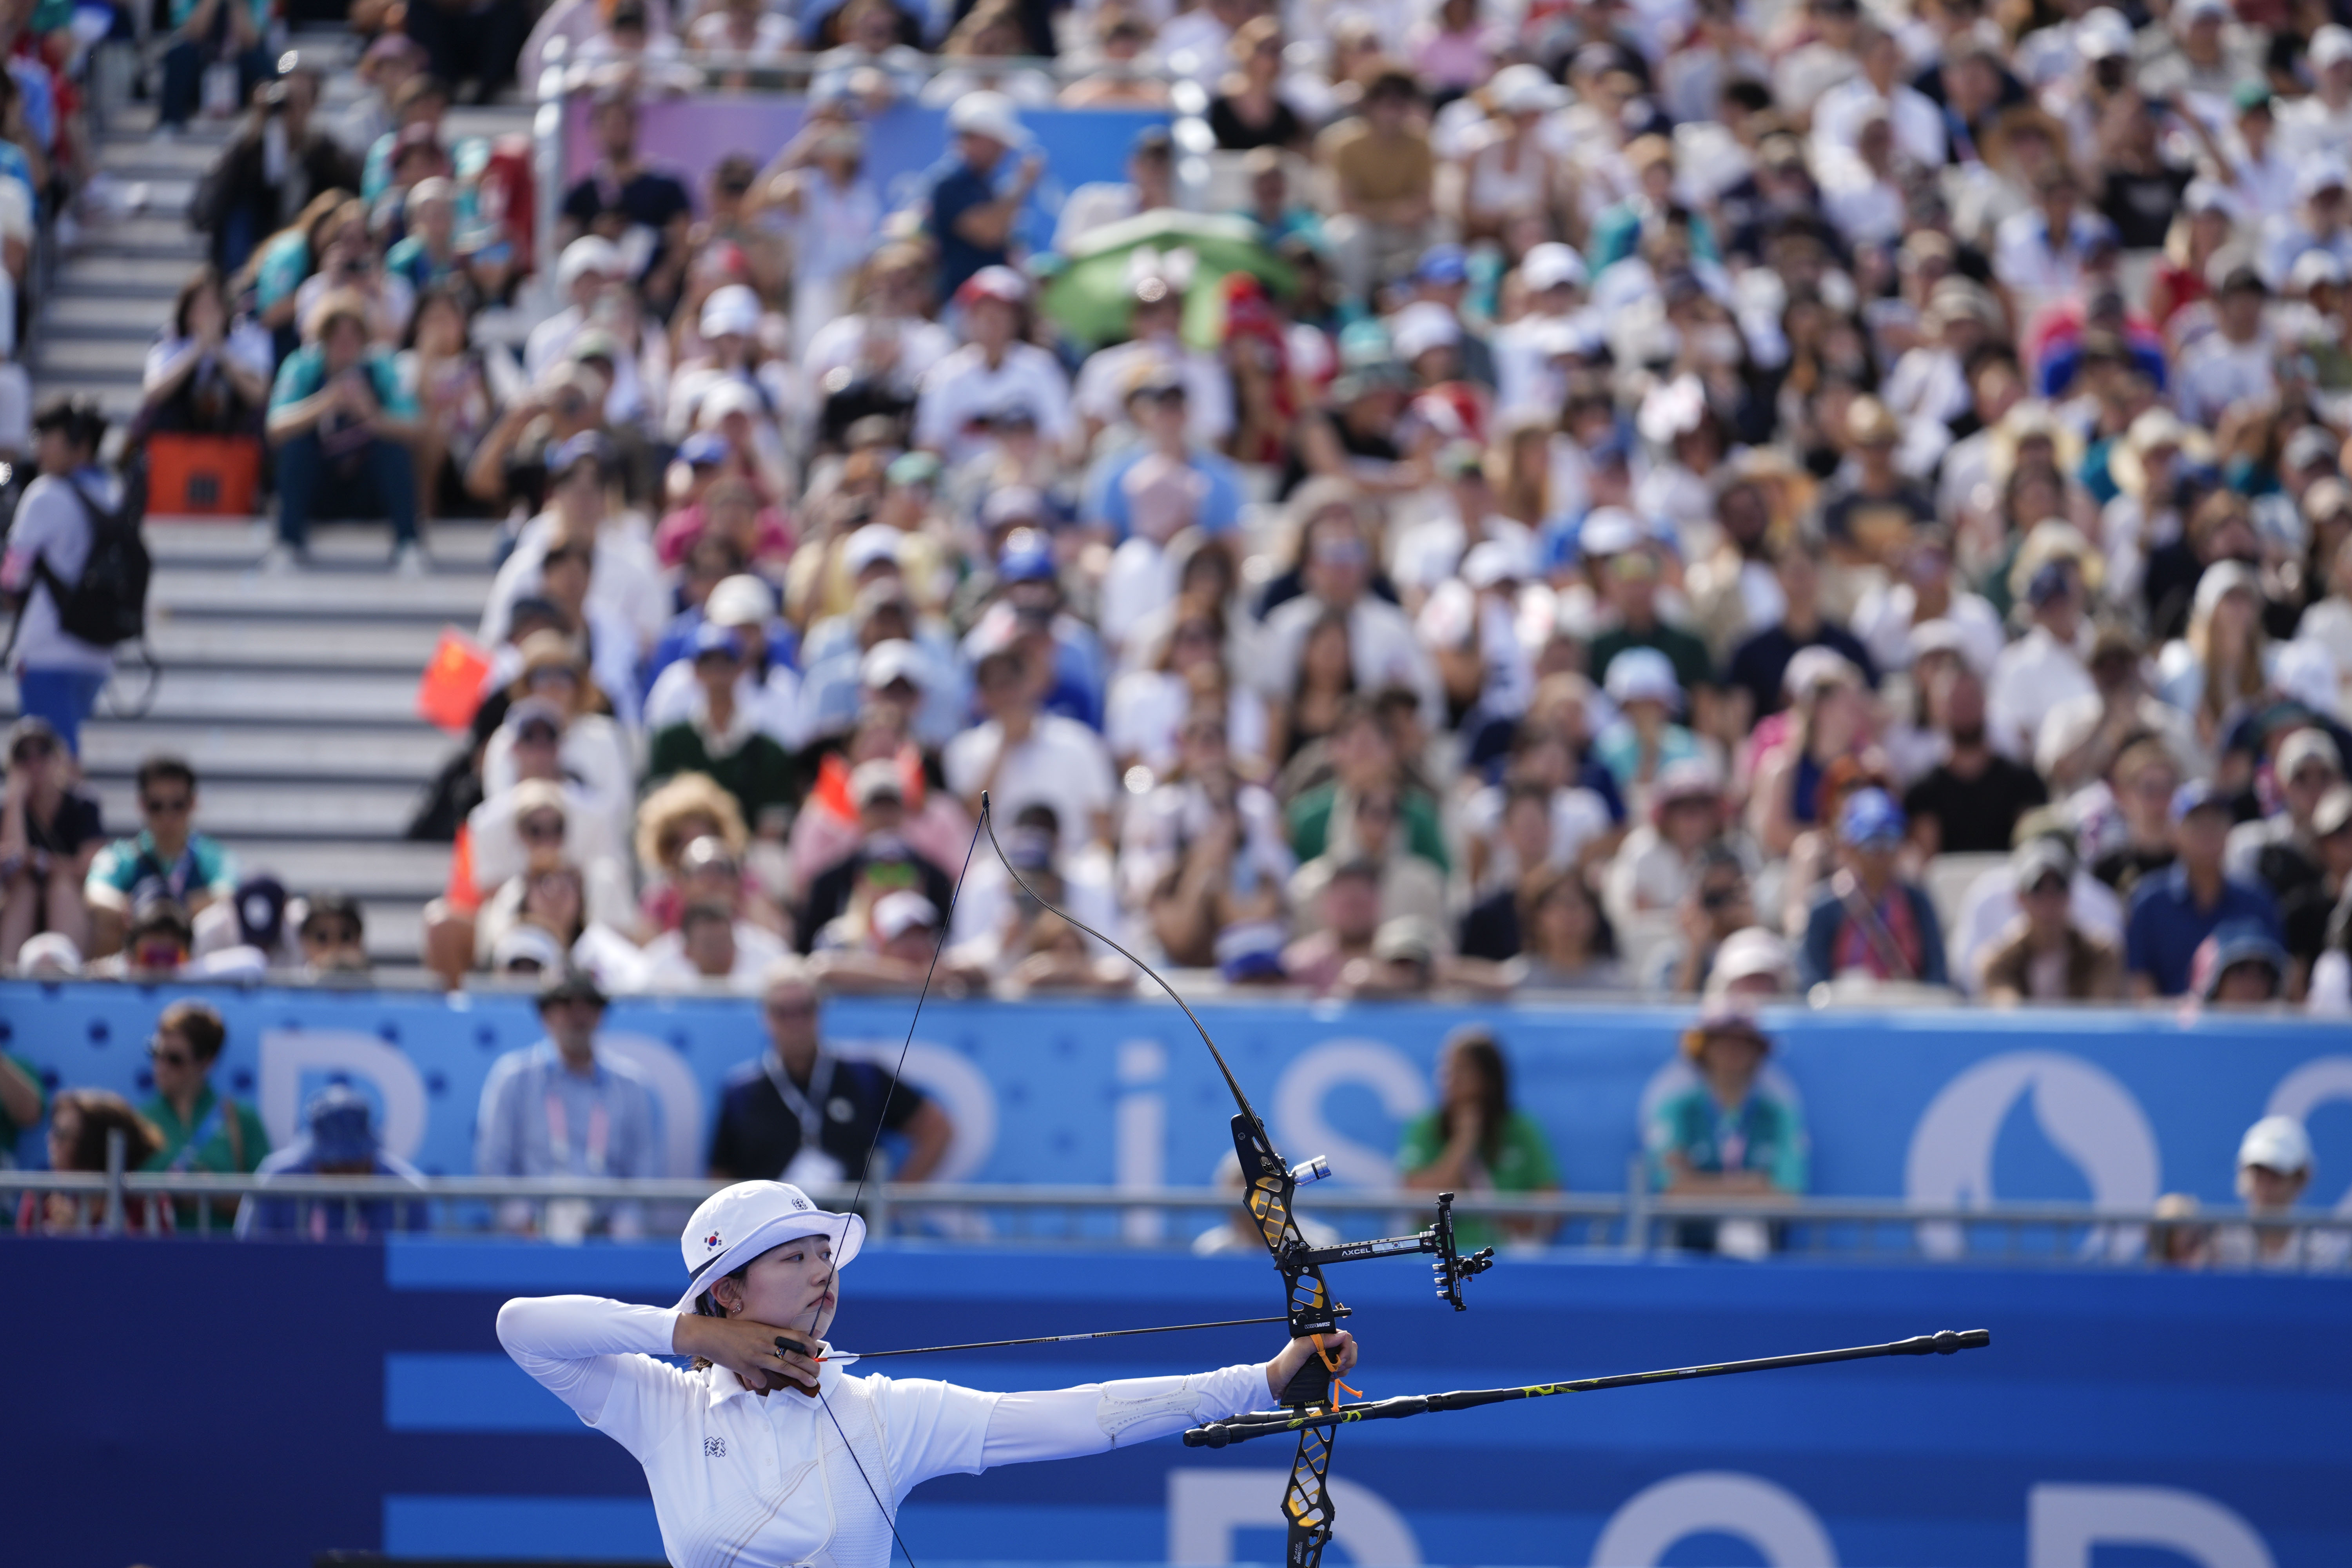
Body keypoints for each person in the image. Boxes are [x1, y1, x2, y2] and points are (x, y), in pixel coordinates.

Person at [494, 1181, 1358, 1568]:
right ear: (729, 1289)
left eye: (824, 1255)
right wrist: (691, 1335)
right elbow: (522, 1327)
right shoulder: (664, 1406)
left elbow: (1081, 1415)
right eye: (794, 1257)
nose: (823, 1273)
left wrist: (1268, 1377)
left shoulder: (885, 1413)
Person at [708, 958, 954, 1185]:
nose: (795, 1023)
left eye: (805, 1009)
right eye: (783, 1012)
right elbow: (721, 1175)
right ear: (766, 1017)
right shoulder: (741, 1092)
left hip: (850, 1228)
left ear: (820, 1011)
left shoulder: (864, 1075)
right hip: (774, 1231)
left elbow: (936, 1127)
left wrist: (891, 1204)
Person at [475, 968, 664, 1239]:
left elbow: (645, 1172)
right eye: (565, 1004)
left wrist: (621, 1231)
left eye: (589, 1004)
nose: (578, 1015)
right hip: (529, 1239)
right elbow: (492, 1163)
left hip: (607, 1240)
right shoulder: (513, 1078)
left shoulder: (632, 1086)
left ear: (601, 1015)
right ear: (545, 1015)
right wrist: (524, 1224)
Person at [265, 290, 425, 572]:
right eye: (336, 336)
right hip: (320, 490)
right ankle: (288, 544)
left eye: (353, 336)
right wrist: (325, 403)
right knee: (295, 448)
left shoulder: (382, 367)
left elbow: (414, 427)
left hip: (368, 491)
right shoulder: (302, 367)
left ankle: (408, 544)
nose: (345, 344)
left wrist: (373, 418)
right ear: (323, 339)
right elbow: (276, 427)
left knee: (394, 449)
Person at [1644, 999, 1808, 1258]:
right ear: (1703, 1049)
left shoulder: (1778, 1115)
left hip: (1766, 1258)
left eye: (1744, 1042)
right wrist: (1753, 1185)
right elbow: (1673, 1193)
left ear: (1758, 1051)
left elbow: (1788, 1197)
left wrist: (1700, 1186)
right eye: (1722, 1040)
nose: (1733, 1050)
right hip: (1688, 1254)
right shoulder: (1677, 1110)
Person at [0, 399, 120, 753]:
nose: (37, 447)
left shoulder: (45, 495)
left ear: (78, 442)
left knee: (54, 767)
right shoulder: (114, 490)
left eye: (46, 437)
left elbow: (10, 579)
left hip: (47, 651)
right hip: (98, 652)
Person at [1397, 1025, 1561, 1251]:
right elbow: (1416, 1201)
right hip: (1437, 1265)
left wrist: (1489, 1206)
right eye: (1445, 1069)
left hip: (1503, 1266)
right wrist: (1463, 1143)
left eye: (1461, 1070)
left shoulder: (1521, 1130)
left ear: (1489, 1078)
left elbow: (1549, 1211)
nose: (1449, 1079)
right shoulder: (1425, 1127)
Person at [2125, 781, 2284, 998]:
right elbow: (2141, 985)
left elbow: (2276, 982)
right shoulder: (2149, 902)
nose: (2208, 832)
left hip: (2242, 1029)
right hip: (2168, 1030)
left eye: (2216, 822)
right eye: (2197, 823)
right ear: (2175, 833)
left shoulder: (2257, 900)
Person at [83, 754, 236, 960]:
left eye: (178, 805)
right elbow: (96, 894)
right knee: (103, 923)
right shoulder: (123, 855)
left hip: (194, 958)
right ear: (142, 805)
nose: (167, 817)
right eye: (156, 806)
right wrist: (145, 917)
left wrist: (168, 914)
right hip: (133, 958)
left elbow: (228, 894)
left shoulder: (211, 856)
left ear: (193, 804)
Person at [138, 999, 270, 1234]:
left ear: (207, 1061)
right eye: (156, 1052)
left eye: (175, 1059)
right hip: (154, 1261)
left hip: (226, 1260)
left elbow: (271, 1203)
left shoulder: (242, 1119)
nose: (161, 1066)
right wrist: (167, 1193)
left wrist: (215, 1195)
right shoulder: (139, 1120)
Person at [1797, 788, 1950, 991]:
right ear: (1850, 846)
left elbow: (1937, 974)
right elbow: (1813, 980)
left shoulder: (1917, 901)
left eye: (1890, 841)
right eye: (1872, 843)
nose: (1882, 854)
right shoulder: (1824, 906)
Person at [237, 1084, 430, 1239]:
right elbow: (249, 1258)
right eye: (330, 1164)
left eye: (351, 1164)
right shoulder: (277, 1178)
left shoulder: (407, 1190)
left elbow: (418, 1269)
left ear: (369, 1156)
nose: (341, 1173)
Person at [0, 717, 103, 966]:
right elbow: (13, 865)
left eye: (43, 752)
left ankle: (67, 974)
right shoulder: (9, 809)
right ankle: (8, 975)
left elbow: (89, 867)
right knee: (24, 889)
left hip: (69, 906)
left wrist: (42, 862)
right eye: (23, 756)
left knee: (62, 887)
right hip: (22, 904)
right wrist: (15, 800)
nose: (33, 763)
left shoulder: (82, 805)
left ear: (59, 757)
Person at [1977, 840, 2126, 1003]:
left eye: (2058, 889)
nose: (2049, 902)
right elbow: (2009, 1016)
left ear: (2070, 895)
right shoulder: (1997, 962)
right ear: (2021, 899)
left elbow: (2098, 1018)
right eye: (2038, 890)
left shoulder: (2101, 956)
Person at [18, 1091, 168, 1234]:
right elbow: (23, 1258)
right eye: (54, 1131)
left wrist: (80, 1235)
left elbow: (158, 1258)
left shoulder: (145, 1201)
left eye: (61, 1135)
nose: (51, 1140)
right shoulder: (42, 1197)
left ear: (93, 1146)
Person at [2212, 1116, 2349, 1270]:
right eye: (2259, 1173)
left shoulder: (2319, 1252)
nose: (2266, 1186)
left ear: (2299, 1179)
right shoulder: (2219, 1245)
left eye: (2276, 1175)